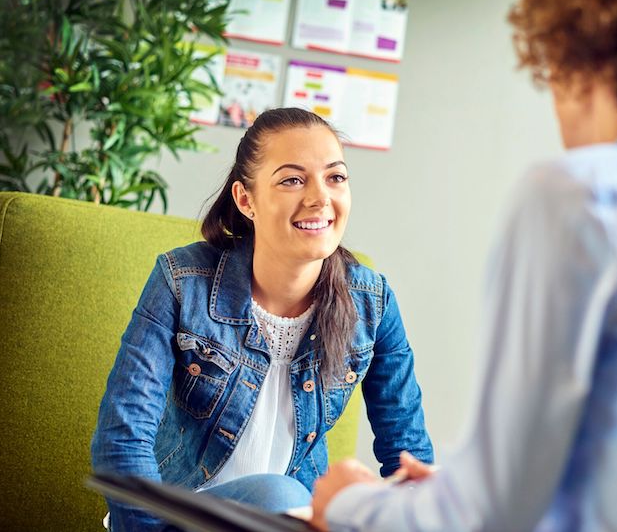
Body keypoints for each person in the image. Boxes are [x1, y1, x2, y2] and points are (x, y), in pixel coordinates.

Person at [309, 0, 617, 531]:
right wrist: (453, 490)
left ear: (579, 51)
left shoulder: (581, 196)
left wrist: (347, 502)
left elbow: (484, 518)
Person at [90, 107, 433, 531]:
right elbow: (122, 438)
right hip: (177, 519)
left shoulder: (372, 302)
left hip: (290, 521)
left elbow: (407, 454)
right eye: (292, 180)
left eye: (335, 177)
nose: (320, 198)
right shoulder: (182, 281)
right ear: (245, 200)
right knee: (279, 495)